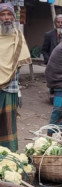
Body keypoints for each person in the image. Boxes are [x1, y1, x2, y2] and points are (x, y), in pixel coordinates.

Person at [0, 3, 31, 151]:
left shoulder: (18, 36)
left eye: (9, 14)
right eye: (3, 14)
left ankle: (8, 153)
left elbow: (20, 63)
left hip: (10, 86)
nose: (6, 18)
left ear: (13, 17)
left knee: (8, 123)